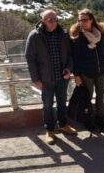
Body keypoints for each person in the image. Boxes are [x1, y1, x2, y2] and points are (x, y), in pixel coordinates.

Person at [25, 9, 77, 145]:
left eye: (55, 19)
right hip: (45, 80)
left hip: (62, 78)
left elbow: (71, 54)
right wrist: (35, 79)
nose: (54, 22)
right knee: (47, 105)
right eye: (50, 20)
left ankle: (63, 125)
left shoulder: (63, 34)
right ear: (42, 21)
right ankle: (49, 130)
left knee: (62, 103)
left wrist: (69, 69)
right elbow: (30, 59)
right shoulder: (35, 36)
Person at [69, 8, 104, 132]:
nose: (82, 22)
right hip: (85, 73)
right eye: (80, 20)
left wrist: (102, 62)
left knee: (100, 96)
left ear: (91, 20)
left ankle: (99, 119)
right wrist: (76, 75)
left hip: (99, 71)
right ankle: (88, 120)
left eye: (85, 20)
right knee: (87, 97)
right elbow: (74, 58)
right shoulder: (77, 38)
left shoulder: (101, 34)